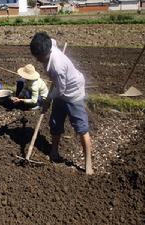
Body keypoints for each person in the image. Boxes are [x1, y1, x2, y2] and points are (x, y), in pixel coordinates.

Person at [30, 32, 93, 175]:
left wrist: (48, 99)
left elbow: (61, 89)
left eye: (38, 57)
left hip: (72, 93)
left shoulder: (57, 67)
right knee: (55, 122)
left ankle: (88, 162)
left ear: (45, 53)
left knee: (81, 128)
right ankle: (54, 151)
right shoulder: (49, 44)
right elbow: (52, 40)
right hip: (59, 90)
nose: (37, 59)